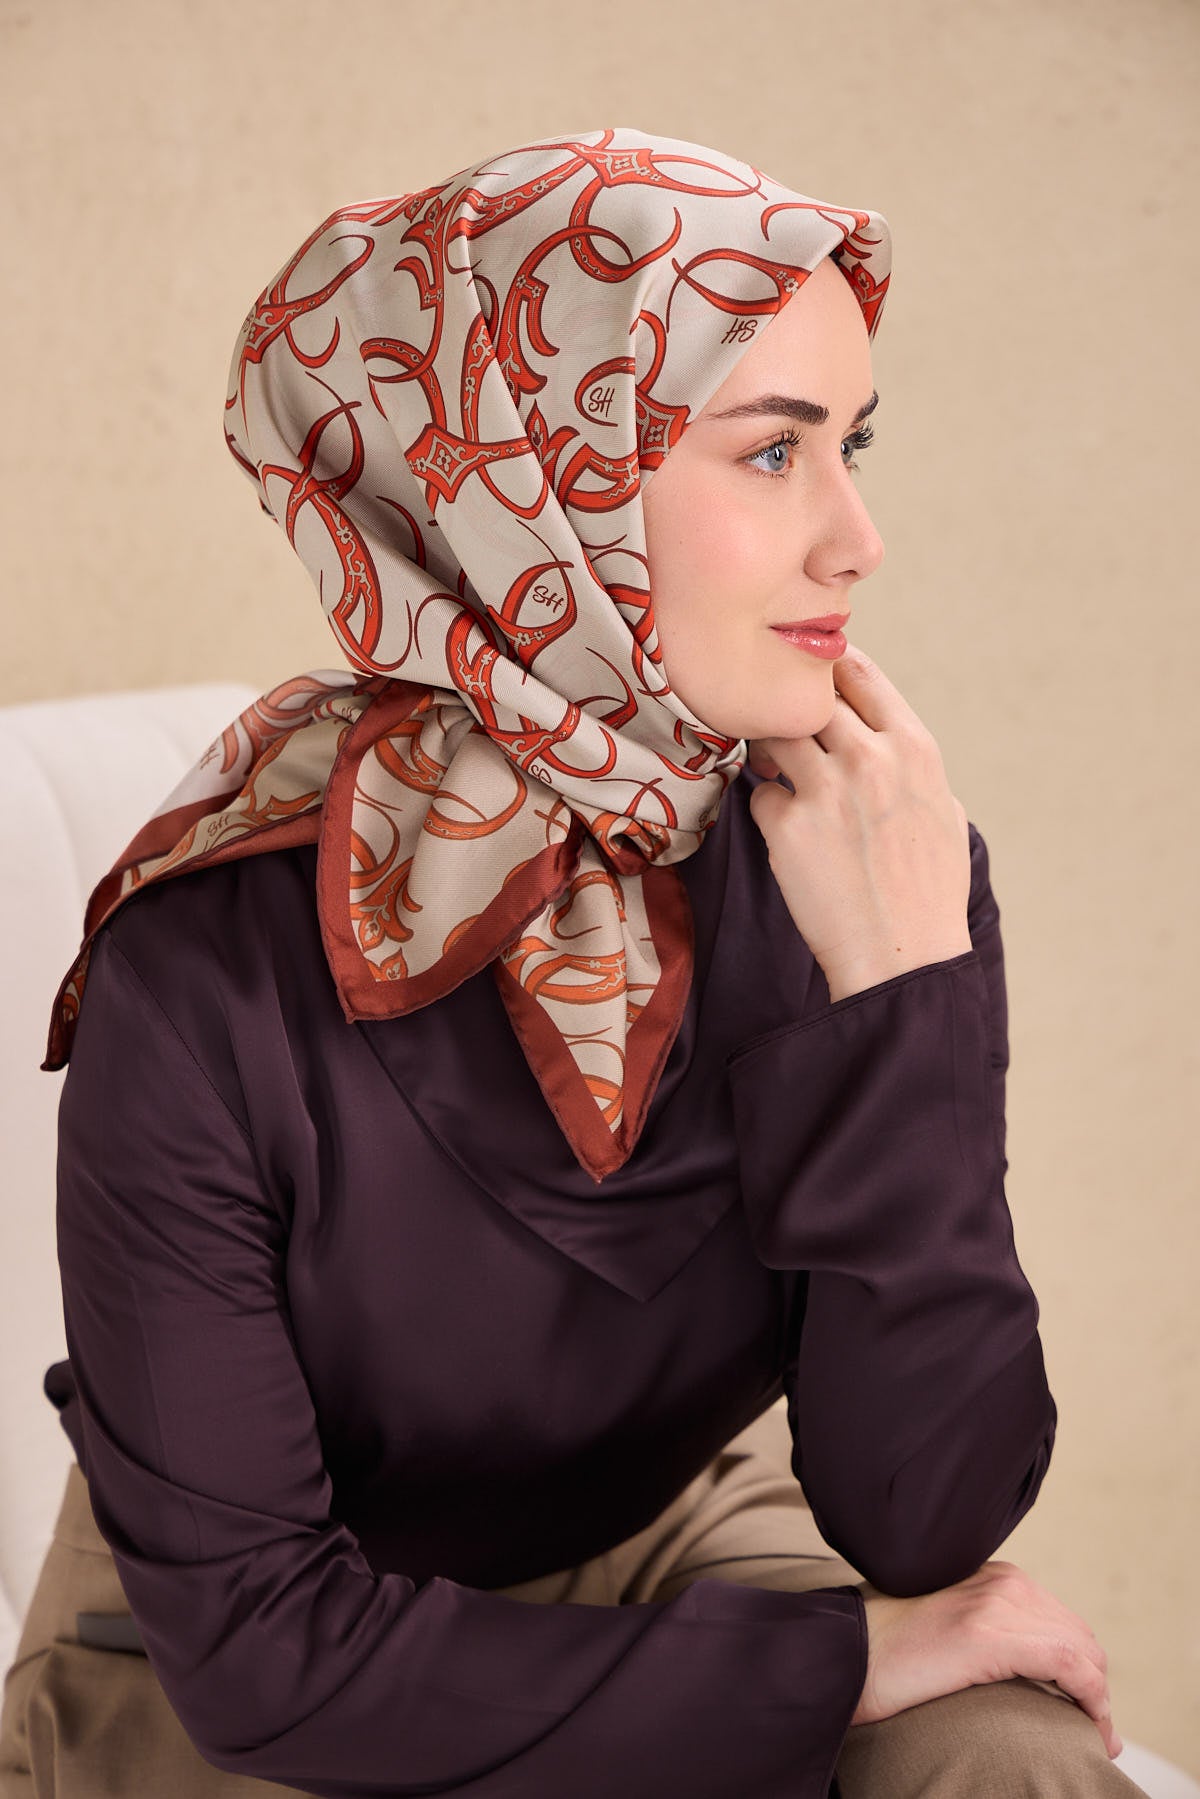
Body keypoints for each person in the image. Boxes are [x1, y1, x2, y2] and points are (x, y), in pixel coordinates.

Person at [0, 126, 1146, 1798]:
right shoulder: (203, 964)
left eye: (853, 446)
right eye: (773, 452)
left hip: (663, 1532)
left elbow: (928, 1516)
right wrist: (838, 1667)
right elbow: (262, 1654)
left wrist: (904, 991)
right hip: (252, 1640)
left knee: (1006, 1758)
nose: (858, 539)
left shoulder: (867, 860)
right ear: (543, 484)